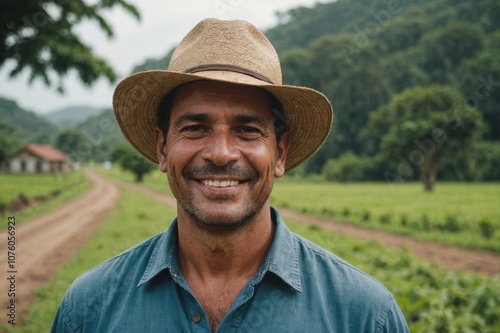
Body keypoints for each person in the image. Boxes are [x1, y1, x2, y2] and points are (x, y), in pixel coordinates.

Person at [51, 18, 410, 332]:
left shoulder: (364, 315)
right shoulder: (87, 310)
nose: (221, 153)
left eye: (248, 130)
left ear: (280, 153)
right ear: (162, 148)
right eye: (194, 127)